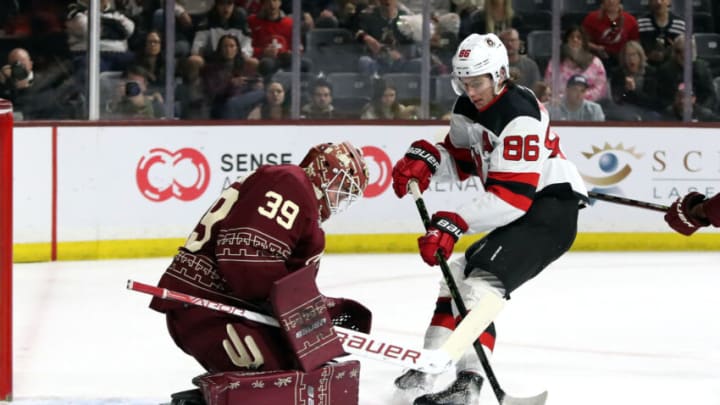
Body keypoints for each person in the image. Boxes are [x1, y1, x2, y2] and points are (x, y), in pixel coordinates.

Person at [391, 33, 588, 404]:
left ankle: (469, 382)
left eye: (477, 81)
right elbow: (465, 160)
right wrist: (431, 162)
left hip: (548, 213)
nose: (470, 90)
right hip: (525, 209)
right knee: (457, 276)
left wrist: (452, 222)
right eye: (463, 82)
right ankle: (429, 365)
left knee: (479, 288)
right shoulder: (467, 107)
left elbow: (511, 198)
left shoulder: (520, 114)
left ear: (499, 75)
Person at [149, 142, 371, 405]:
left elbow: (280, 286)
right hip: (210, 310)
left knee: (306, 377)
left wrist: (317, 313)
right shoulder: (291, 183)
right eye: (341, 187)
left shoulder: (302, 202)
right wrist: (302, 313)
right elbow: (245, 260)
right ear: (323, 169)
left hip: (225, 309)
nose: (340, 198)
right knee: (284, 384)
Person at [543, 26, 608, 102]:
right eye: (571, 37)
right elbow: (548, 86)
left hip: (589, 105)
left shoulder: (596, 63)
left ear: (584, 42)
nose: (575, 40)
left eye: (579, 38)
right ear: (566, 41)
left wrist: (578, 98)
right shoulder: (555, 62)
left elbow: (600, 89)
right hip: (559, 104)